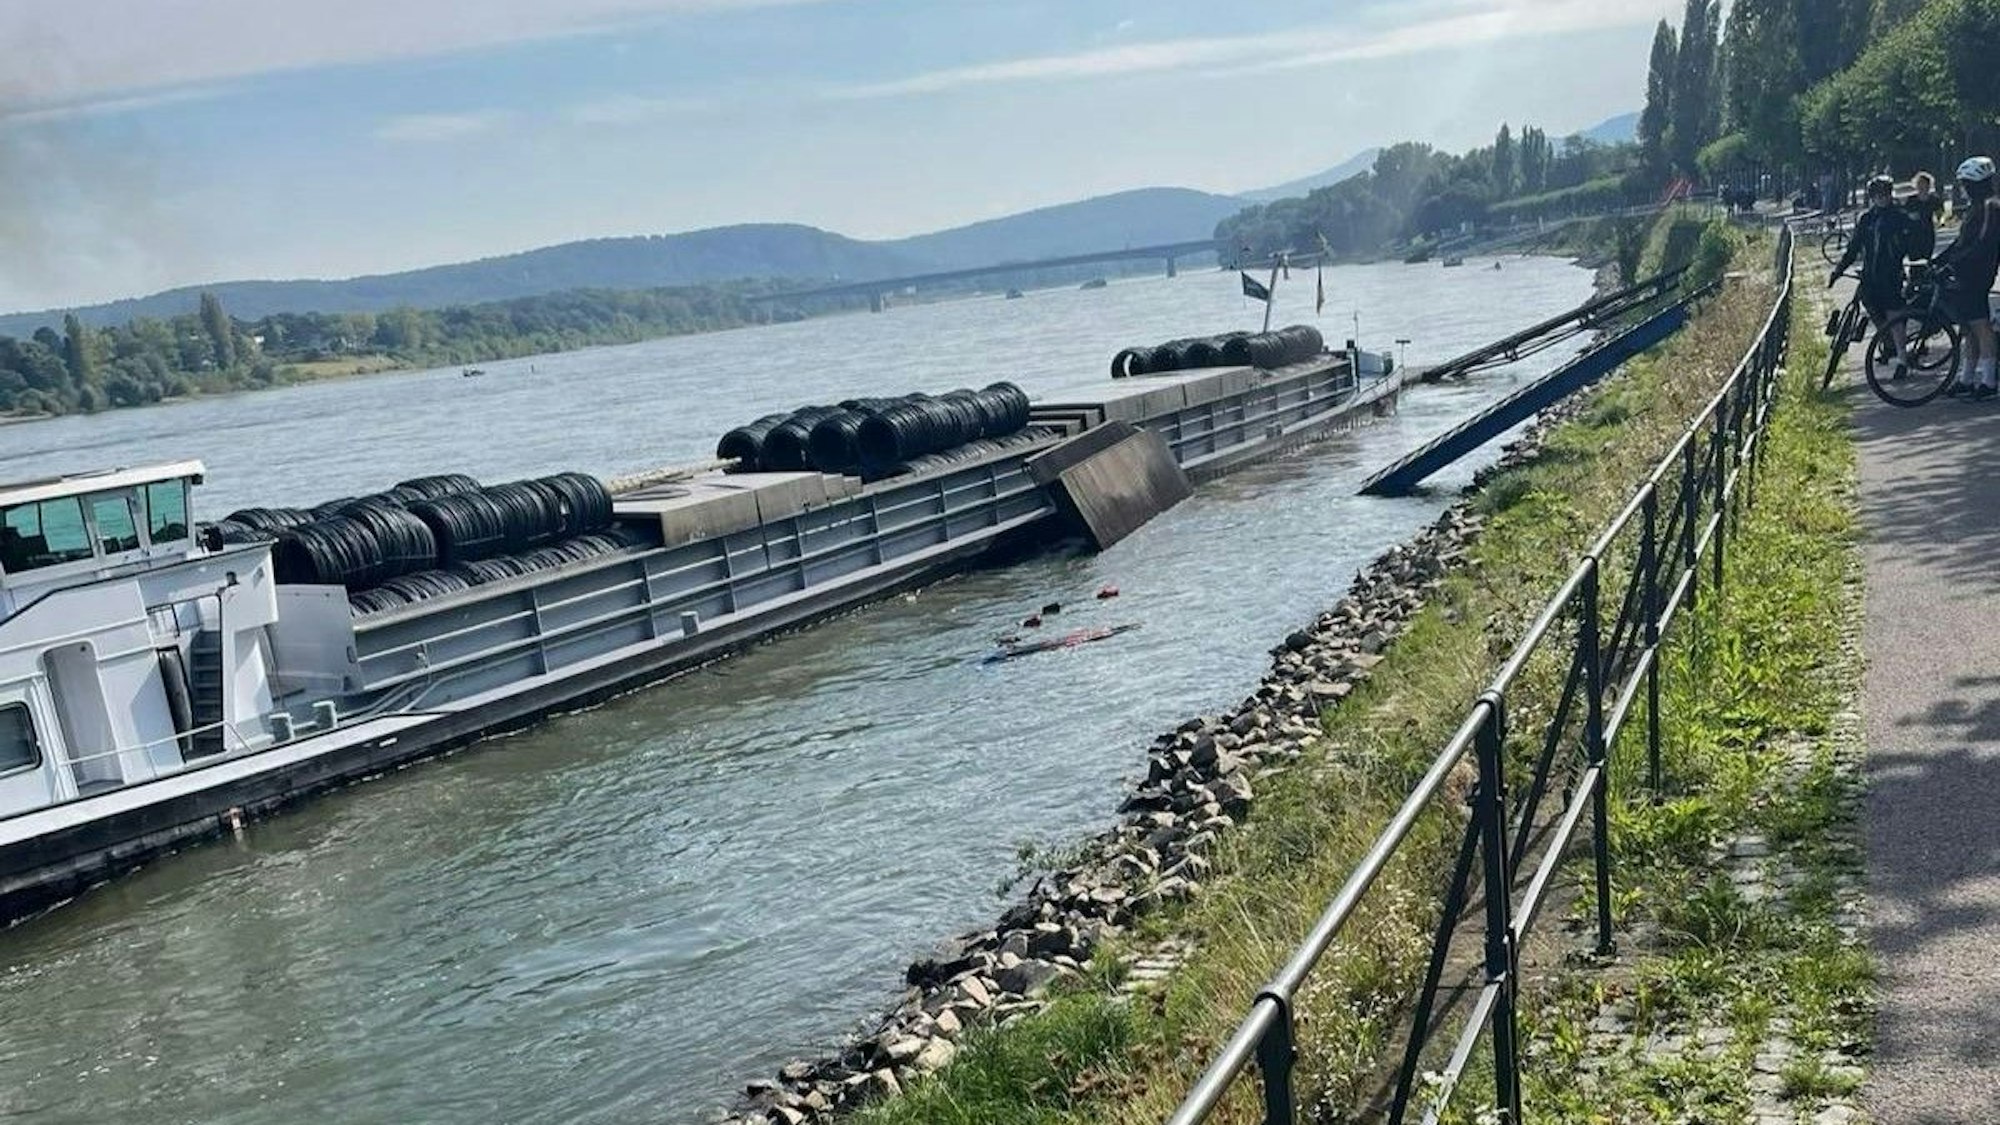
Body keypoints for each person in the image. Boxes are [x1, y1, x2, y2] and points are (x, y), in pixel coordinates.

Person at [1831, 175, 1922, 375]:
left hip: (1891, 275)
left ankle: (1902, 360)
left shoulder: (1900, 217)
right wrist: (1839, 270)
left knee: (1894, 316)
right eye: (1878, 195)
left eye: (1886, 194)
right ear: (1872, 197)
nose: (1882, 198)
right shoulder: (1867, 219)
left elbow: (1913, 247)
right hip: (1870, 276)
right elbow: (1854, 248)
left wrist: (1916, 272)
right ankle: (1888, 342)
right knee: (1873, 309)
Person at [1936, 157, 2000, 398]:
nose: (1963, 188)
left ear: (1976, 184)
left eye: (1965, 184)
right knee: (1967, 327)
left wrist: (1954, 263)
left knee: (1980, 325)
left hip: (1977, 273)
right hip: (1966, 272)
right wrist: (1941, 260)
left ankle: (1989, 381)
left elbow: (1982, 243)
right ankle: (1967, 378)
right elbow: (1961, 241)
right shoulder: (1976, 207)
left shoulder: (1990, 207)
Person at [1903, 172, 1944, 259]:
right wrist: (1910, 216)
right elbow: (1904, 215)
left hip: (1928, 231)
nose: (1922, 187)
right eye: (1919, 184)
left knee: (1927, 257)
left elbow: (1941, 214)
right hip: (1914, 233)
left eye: (1924, 184)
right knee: (1914, 258)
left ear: (1929, 186)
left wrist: (1940, 219)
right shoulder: (1911, 200)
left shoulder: (1934, 200)